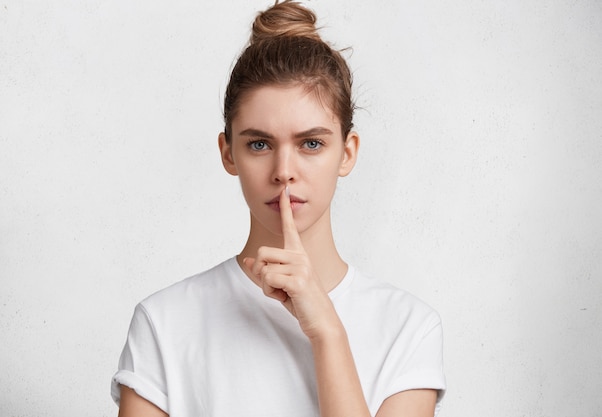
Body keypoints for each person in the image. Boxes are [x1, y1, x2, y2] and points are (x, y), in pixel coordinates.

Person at [111, 1, 446, 416]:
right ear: (228, 153)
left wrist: (327, 332)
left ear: (347, 153)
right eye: (259, 144)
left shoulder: (408, 328)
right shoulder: (163, 323)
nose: (284, 171)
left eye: (311, 143)